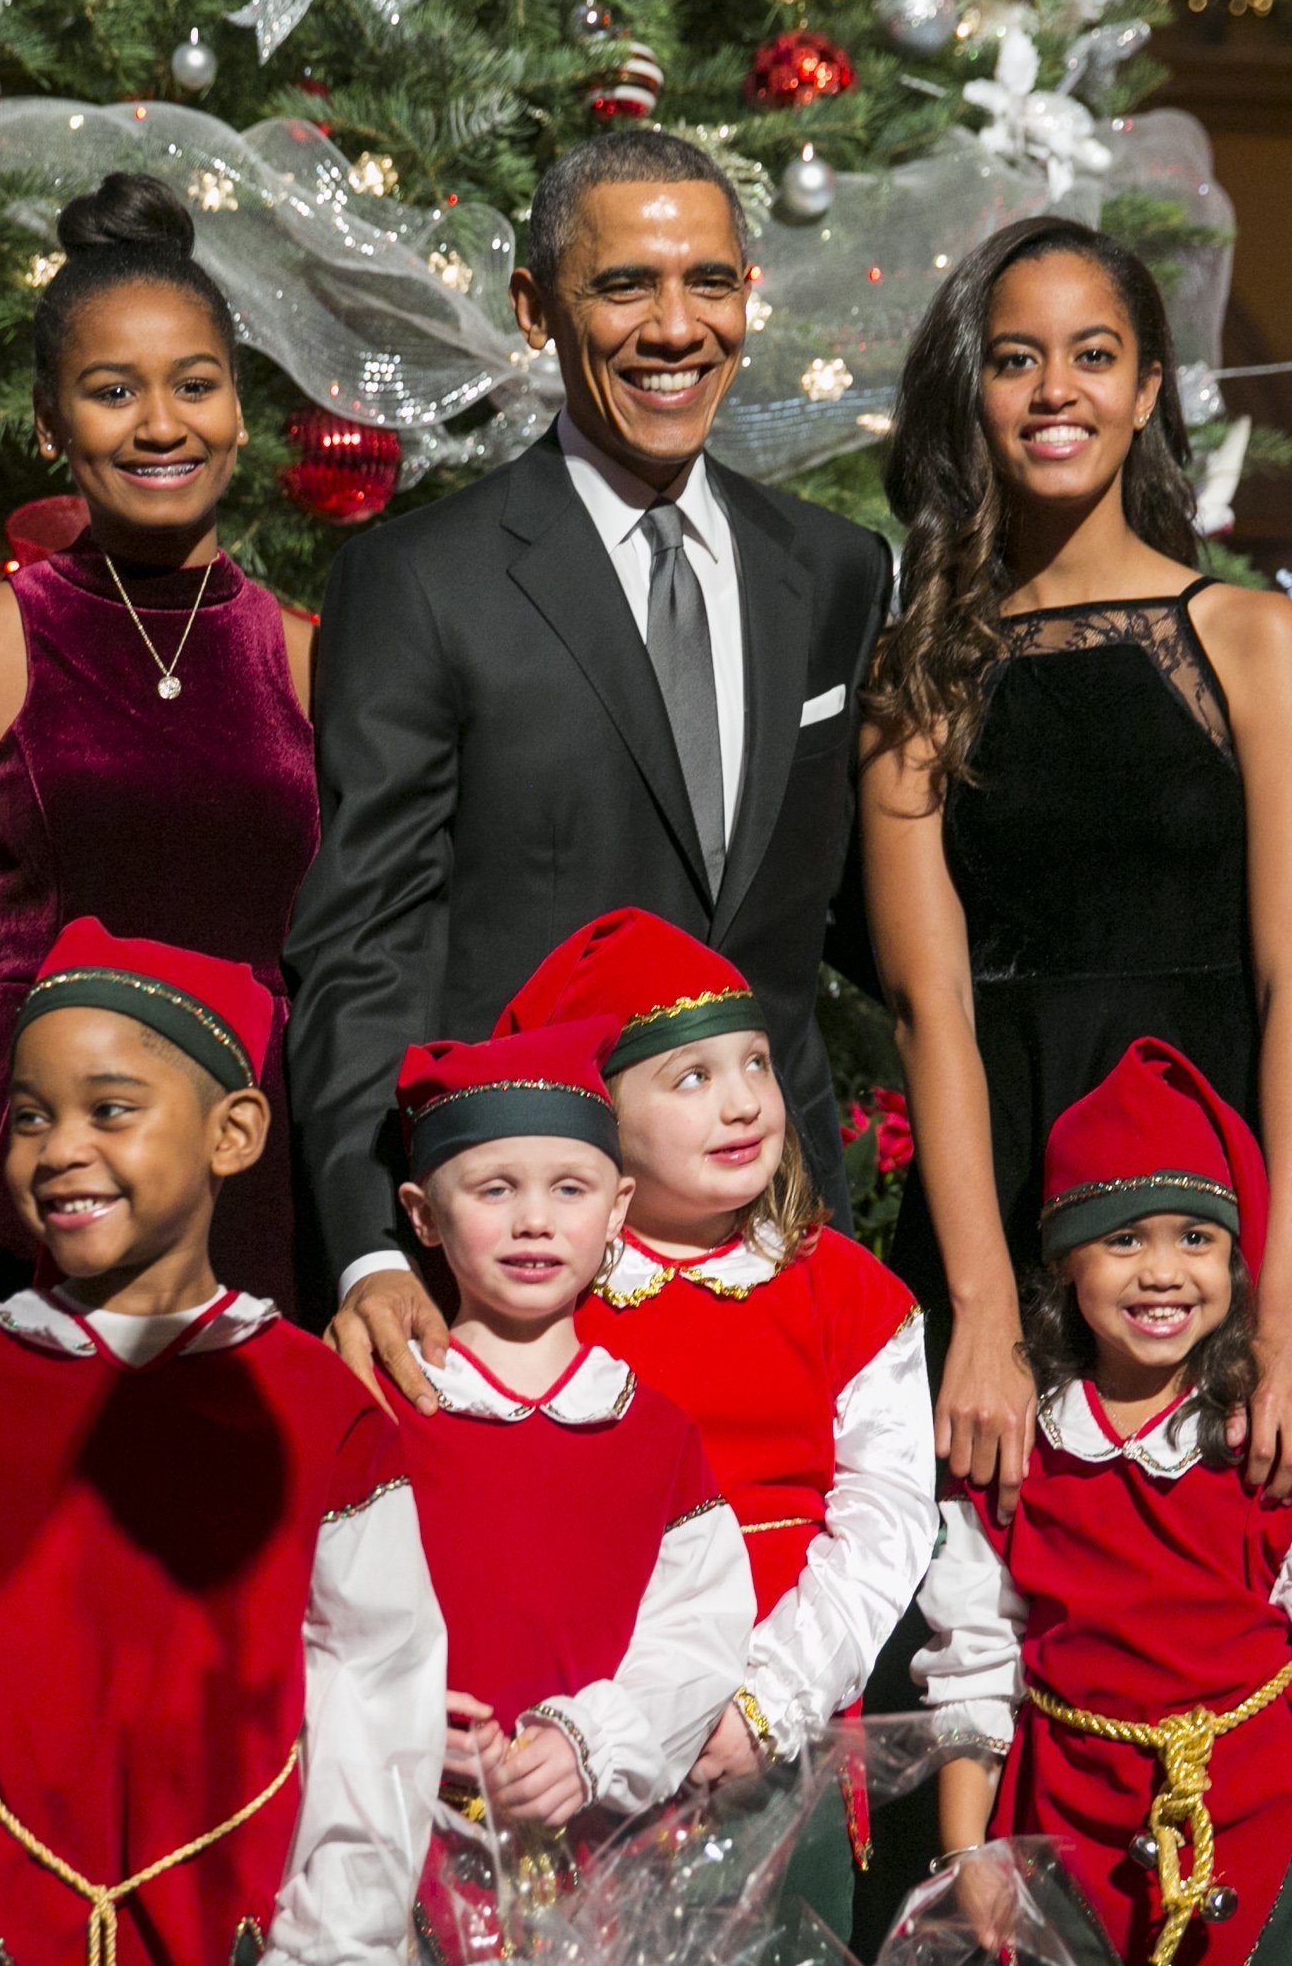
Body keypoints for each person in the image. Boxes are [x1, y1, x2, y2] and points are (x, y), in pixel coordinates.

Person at [295, 129, 893, 1382]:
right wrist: (369, 1247)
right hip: (525, 1256)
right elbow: (364, 942)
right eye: (625, 286)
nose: (676, 328)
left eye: (709, 283)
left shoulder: (835, 571)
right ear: (535, 309)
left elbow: (848, 916)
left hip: (781, 1245)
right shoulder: (419, 582)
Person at [862, 215, 1292, 1512]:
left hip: (1236, 1196)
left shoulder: (1252, 637)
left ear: (1149, 388)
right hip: (999, 1201)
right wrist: (986, 1308)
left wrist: (1290, 1314)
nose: (1057, 389)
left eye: (1094, 353)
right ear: (975, 390)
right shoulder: (920, 672)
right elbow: (926, 1010)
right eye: (1016, 358)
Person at [0, 920, 444, 1966]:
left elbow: (378, 1690)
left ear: (234, 1133)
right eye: (29, 1118)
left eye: (110, 1110)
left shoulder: (316, 1406)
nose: (60, 1148)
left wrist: (334, 1943)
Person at [0, 170, 321, 1340]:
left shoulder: (314, 657)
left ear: (239, 409)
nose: (161, 425)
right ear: (48, 421)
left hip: (253, 1154)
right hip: (31, 1168)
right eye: (112, 391)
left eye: (195, 386)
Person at [486, 907, 933, 1933]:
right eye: (691, 1078)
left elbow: (886, 1519)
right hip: (580, 1730)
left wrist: (765, 1703)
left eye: (755, 1066)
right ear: (599, 1113)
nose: (741, 1105)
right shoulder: (543, 1289)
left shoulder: (848, 1295)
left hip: (784, 1731)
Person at [916, 1038, 1292, 1966]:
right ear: (1064, 1264)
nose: (1164, 1270)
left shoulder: (1270, 1448)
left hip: (1257, 1828)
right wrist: (967, 1851)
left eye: (1196, 1238)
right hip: (1066, 1841)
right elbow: (973, 1666)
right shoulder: (1021, 1458)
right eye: (1124, 1239)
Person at [385, 1021, 751, 1851]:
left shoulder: (654, 1433)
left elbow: (701, 1626)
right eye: (494, 1189)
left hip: (600, 1857)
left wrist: (593, 1744)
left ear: (618, 1205)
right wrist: (390, 1705)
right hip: (400, 1846)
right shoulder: (380, 1410)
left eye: (570, 1189)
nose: (535, 1221)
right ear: (424, 1215)